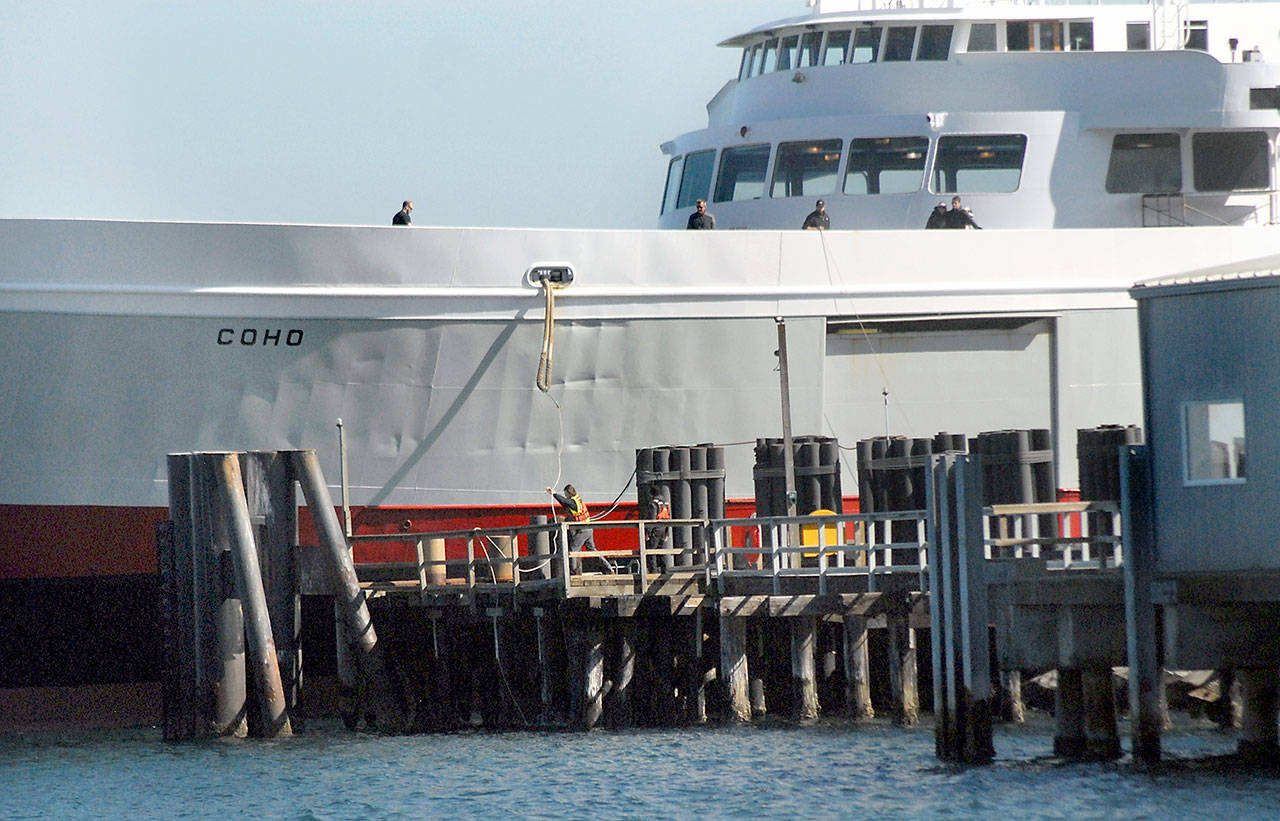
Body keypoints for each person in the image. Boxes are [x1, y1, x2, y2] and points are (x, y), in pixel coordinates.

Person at [546, 484, 606, 573]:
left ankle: (573, 572)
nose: (565, 495)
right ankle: (608, 568)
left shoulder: (573, 502)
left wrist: (554, 494)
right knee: (592, 550)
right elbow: (565, 502)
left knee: (573, 550)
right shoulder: (577, 499)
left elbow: (565, 502)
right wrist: (554, 494)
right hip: (589, 528)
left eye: (565, 493)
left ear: (568, 493)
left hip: (583, 530)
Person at [644, 488, 672, 573]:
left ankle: (653, 571)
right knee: (661, 551)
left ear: (651, 494)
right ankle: (664, 570)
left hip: (655, 530)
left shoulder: (653, 504)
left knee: (651, 551)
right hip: (663, 530)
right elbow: (668, 518)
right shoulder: (665, 504)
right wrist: (667, 533)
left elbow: (652, 519)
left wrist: (647, 533)